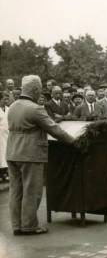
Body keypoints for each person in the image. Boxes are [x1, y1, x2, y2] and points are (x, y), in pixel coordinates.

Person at [7, 75, 75, 235]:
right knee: (32, 190)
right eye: (39, 89)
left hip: (12, 152)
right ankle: (30, 225)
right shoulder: (35, 108)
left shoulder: (13, 106)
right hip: (30, 153)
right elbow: (55, 129)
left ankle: (17, 225)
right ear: (35, 90)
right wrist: (74, 141)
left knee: (16, 190)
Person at [0, 92, 9, 181]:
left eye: (7, 99)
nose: (6, 101)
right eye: (4, 99)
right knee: (0, 153)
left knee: (6, 153)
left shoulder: (8, 109)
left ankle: (5, 173)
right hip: (0, 135)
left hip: (7, 134)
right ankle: (1, 174)